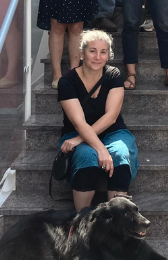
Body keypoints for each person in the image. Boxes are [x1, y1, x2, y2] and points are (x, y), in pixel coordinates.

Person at [57, 30, 139, 212]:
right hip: (76, 131)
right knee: (87, 156)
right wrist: (100, 149)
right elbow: (79, 123)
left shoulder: (113, 75)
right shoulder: (67, 82)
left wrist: (80, 140)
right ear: (81, 53)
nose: (97, 57)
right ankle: (82, 221)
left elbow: (111, 117)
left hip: (113, 132)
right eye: (92, 51)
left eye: (103, 52)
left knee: (120, 154)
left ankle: (116, 222)